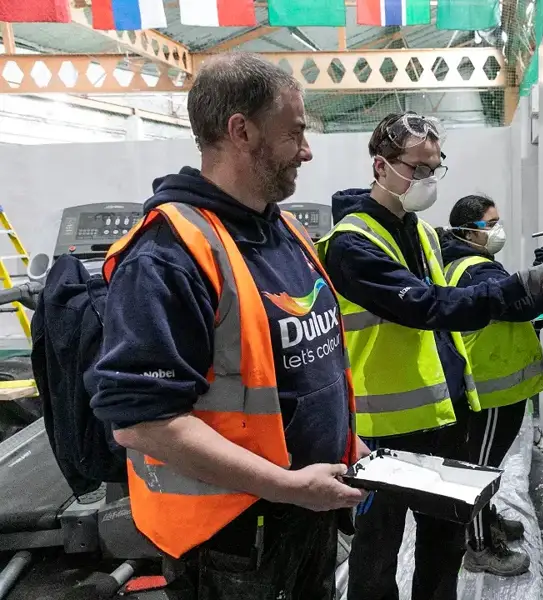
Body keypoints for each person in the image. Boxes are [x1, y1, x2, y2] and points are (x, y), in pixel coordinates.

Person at [89, 52, 367, 599]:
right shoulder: (167, 256)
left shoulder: (284, 230)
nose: (306, 151)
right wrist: (287, 485)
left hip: (304, 509)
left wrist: (341, 446)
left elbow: (304, 368)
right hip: (233, 542)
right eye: (294, 133)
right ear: (241, 131)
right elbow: (141, 423)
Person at [317, 111, 543, 600]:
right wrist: (524, 283)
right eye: (416, 168)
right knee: (377, 553)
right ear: (380, 166)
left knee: (443, 543)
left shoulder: (421, 232)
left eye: (434, 167)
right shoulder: (351, 245)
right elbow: (427, 307)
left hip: (443, 414)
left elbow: (452, 304)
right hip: (383, 429)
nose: (427, 179)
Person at [440, 195, 543, 576]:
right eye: (491, 224)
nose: (499, 230)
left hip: (494, 384)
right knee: (479, 468)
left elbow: (509, 307)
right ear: (468, 232)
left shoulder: (463, 262)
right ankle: (479, 547)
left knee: (485, 462)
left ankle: (485, 520)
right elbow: (524, 302)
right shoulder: (475, 269)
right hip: (489, 388)